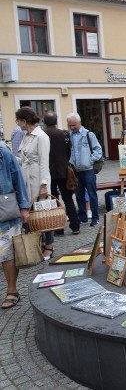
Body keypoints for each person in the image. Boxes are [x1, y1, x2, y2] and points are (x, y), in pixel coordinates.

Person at [15, 107, 55, 260]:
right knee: (31, 214)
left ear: (24, 121)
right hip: (27, 177)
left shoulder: (41, 136)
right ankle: (37, 244)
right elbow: (22, 157)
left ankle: (49, 246)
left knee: (44, 213)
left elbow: (44, 161)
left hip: (38, 178)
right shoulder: (26, 136)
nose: (18, 124)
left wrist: (44, 184)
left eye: (19, 121)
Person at [0, 143, 30, 309]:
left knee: (7, 253)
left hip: (6, 210)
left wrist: (24, 208)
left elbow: (19, 180)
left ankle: (12, 290)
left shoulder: (4, 154)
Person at [43, 111, 80, 236]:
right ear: (56, 121)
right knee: (68, 199)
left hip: (49, 172)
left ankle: (59, 228)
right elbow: (68, 151)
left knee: (53, 201)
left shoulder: (42, 135)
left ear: (44, 122)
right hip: (63, 170)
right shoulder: (64, 134)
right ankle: (75, 226)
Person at [66, 112, 102, 227]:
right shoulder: (69, 136)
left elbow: (98, 150)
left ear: (79, 123)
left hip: (88, 170)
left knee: (92, 194)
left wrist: (90, 160)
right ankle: (83, 217)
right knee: (79, 195)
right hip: (75, 171)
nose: (72, 128)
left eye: (74, 125)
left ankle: (95, 218)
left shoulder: (88, 134)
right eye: (70, 125)